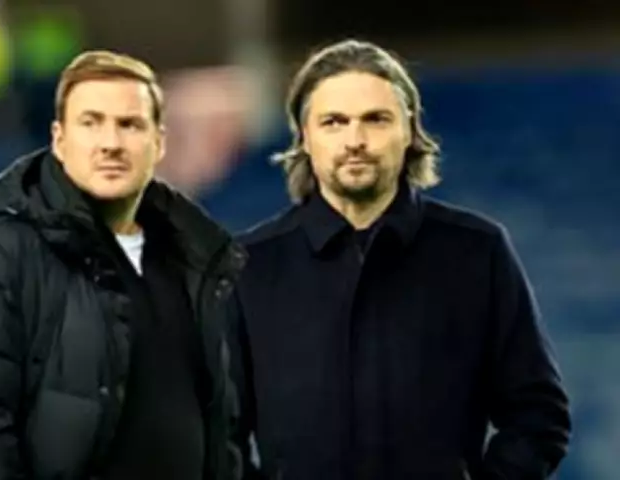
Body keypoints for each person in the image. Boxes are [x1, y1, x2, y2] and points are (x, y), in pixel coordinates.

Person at [227, 39, 571, 480]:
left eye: (376, 119)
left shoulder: (477, 251)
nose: (355, 140)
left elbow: (538, 415)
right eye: (334, 122)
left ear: (409, 131)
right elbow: (217, 437)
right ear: (305, 138)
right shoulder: (247, 266)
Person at [0, 49, 246, 480]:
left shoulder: (193, 263)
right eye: (91, 123)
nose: (110, 143)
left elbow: (222, 432)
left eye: (129, 125)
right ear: (59, 139)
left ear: (159, 143)